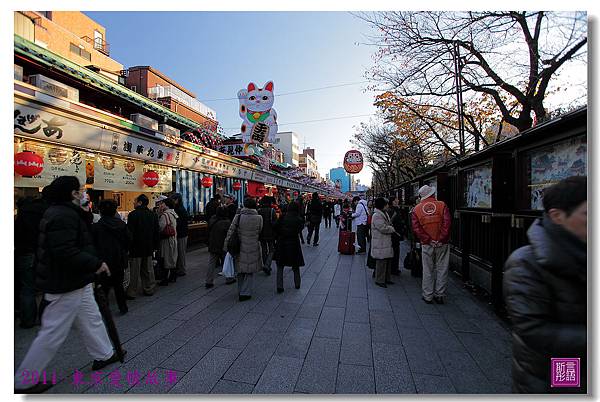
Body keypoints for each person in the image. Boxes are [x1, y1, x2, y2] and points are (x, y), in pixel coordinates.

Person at [14, 176, 120, 394]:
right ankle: (24, 380)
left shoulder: (63, 212)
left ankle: (104, 354)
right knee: (52, 332)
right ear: (72, 193)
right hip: (64, 282)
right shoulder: (62, 215)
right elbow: (64, 251)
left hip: (75, 281)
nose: (84, 192)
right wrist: (96, 263)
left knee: (91, 319)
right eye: (80, 189)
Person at [504, 176, 587, 394]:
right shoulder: (526, 263)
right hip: (558, 365)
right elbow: (533, 329)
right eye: (588, 214)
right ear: (557, 216)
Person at [411, 185, 451, 304]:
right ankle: (440, 294)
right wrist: (441, 238)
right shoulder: (442, 205)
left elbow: (416, 228)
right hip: (442, 243)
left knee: (428, 269)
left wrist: (428, 240)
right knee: (442, 268)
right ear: (433, 194)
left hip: (426, 244)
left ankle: (428, 295)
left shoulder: (416, 209)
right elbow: (447, 223)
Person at [14, 192, 48, 328]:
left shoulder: (23, 214)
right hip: (42, 252)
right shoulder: (46, 211)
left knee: (27, 288)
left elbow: (16, 234)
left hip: (25, 253)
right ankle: (44, 318)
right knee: (46, 286)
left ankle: (27, 321)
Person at [92, 199, 130, 315]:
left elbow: (93, 245)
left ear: (100, 211)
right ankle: (123, 307)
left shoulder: (96, 227)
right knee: (118, 285)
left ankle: (103, 309)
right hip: (119, 260)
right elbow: (128, 241)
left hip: (102, 261)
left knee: (104, 287)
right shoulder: (122, 225)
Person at [224, 197, 263, 301]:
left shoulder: (238, 216)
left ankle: (240, 290)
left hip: (240, 246)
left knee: (240, 269)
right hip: (253, 246)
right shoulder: (259, 218)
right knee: (249, 271)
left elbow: (231, 230)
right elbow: (260, 231)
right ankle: (246, 292)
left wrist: (226, 245)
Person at [126, 194, 159, 298]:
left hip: (135, 247)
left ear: (140, 202)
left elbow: (129, 233)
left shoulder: (132, 215)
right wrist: (155, 245)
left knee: (134, 271)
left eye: (135, 201)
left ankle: (132, 292)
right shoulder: (152, 214)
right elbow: (156, 231)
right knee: (148, 269)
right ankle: (149, 288)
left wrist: (128, 246)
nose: (133, 202)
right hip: (148, 246)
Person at [273, 201, 305, 293]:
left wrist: (280, 233)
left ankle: (280, 286)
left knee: (280, 265)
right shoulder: (299, 219)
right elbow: (300, 228)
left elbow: (275, 226)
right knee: (295, 265)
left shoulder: (282, 217)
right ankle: (297, 284)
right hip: (294, 243)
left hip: (282, 242)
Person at [371, 197, 397, 288]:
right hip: (380, 241)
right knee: (381, 261)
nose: (387, 205)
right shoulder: (377, 215)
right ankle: (379, 280)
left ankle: (386, 278)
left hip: (385, 241)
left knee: (387, 260)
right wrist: (391, 229)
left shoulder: (383, 213)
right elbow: (382, 228)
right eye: (386, 204)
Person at [206, 206, 231, 288]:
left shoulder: (212, 220)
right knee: (226, 261)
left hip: (213, 243)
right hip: (223, 244)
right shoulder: (226, 222)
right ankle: (229, 278)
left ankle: (208, 281)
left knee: (211, 262)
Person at [157, 196, 178, 286]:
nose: (161, 205)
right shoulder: (173, 213)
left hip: (166, 240)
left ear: (167, 205)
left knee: (165, 259)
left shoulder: (165, 215)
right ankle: (173, 276)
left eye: (163, 203)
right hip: (173, 239)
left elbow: (160, 228)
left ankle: (164, 279)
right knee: (172, 257)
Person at [171, 193, 189, 277]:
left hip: (181, 234)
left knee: (181, 253)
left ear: (177, 200)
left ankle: (182, 270)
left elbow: (179, 223)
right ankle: (180, 269)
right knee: (180, 252)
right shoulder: (181, 208)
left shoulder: (179, 209)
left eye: (173, 200)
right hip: (182, 233)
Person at [258, 196, 276, 276]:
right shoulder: (272, 211)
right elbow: (275, 223)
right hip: (271, 233)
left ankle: (266, 265)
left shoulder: (259, 211)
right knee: (272, 249)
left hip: (261, 233)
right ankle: (267, 265)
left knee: (264, 250)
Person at [388, 197, 406, 275]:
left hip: (395, 233)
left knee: (395, 250)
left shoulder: (393, 209)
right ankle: (394, 268)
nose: (398, 200)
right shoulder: (393, 210)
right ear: (393, 202)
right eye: (396, 199)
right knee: (395, 251)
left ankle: (394, 267)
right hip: (394, 233)